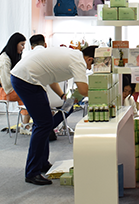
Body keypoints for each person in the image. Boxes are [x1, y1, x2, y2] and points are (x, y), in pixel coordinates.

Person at [11, 39, 93, 185]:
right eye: (91, 66)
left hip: (28, 78)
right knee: (43, 124)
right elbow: (83, 90)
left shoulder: (73, 55)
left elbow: (51, 77)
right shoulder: (79, 61)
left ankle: (42, 163)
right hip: (26, 80)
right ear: (90, 59)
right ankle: (32, 172)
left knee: (45, 123)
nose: (88, 68)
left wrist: (62, 96)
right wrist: (102, 93)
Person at [0, 33, 31, 130]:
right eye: (22, 45)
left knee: (31, 92)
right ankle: (25, 125)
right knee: (29, 94)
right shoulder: (4, 61)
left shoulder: (9, 57)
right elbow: (8, 84)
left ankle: (26, 123)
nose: (23, 48)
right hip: (4, 91)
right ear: (15, 44)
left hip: (8, 88)